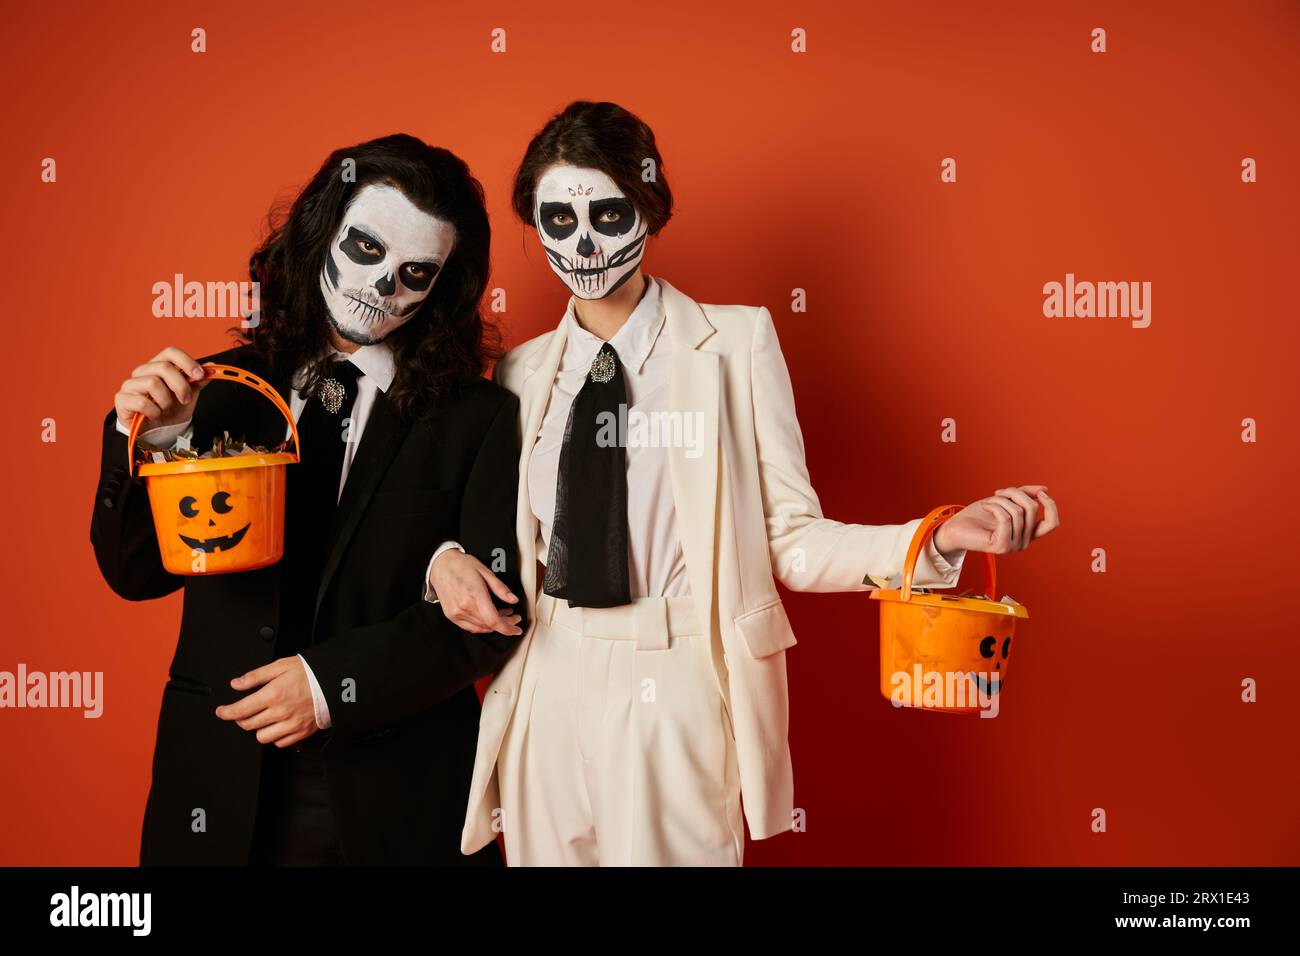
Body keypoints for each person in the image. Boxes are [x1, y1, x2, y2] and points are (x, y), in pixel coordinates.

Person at [430, 101, 1061, 866]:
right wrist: (444, 561)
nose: (584, 240)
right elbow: (486, 531)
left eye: (607, 211)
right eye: (558, 220)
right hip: (547, 681)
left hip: (677, 674)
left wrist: (932, 541)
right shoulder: (523, 371)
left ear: (649, 209)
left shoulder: (736, 344)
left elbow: (789, 542)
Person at [90, 134, 525, 866]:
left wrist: (331, 685)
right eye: (365, 248)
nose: (382, 286)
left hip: (394, 793)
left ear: (442, 287)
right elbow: (134, 574)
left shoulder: (479, 418)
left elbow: (493, 618)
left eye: (414, 272)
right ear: (322, 232)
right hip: (216, 784)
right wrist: (147, 443)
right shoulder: (214, 390)